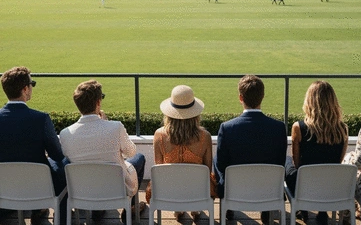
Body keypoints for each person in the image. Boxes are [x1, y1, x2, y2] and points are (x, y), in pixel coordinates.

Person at [59, 80, 146, 223]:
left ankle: (98, 209)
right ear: (98, 102)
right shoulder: (115, 127)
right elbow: (131, 152)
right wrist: (106, 124)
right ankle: (130, 208)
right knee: (139, 158)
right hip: (116, 189)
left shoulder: (65, 134)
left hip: (83, 191)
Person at [214, 75, 287, 224]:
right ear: (262, 97)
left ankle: (229, 204)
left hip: (235, 190)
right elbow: (280, 162)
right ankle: (266, 208)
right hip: (268, 189)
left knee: (217, 161)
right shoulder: (278, 128)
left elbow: (221, 165)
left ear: (241, 98)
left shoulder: (227, 128)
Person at [0, 66, 67, 225]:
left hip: (4, 188)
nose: (32, 88)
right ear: (25, 89)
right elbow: (57, 155)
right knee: (63, 170)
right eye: (32, 84)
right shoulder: (41, 119)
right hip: (39, 188)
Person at [145, 85, 217, 221]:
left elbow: (160, 170)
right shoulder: (204, 136)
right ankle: (195, 206)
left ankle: (177, 208)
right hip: (198, 191)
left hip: (168, 191)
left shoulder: (159, 135)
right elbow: (207, 169)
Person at [285, 81, 348, 225]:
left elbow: (297, 163)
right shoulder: (343, 129)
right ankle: (323, 211)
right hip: (330, 185)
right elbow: (338, 161)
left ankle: (302, 209)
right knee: (327, 170)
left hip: (305, 184)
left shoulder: (298, 127)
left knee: (288, 162)